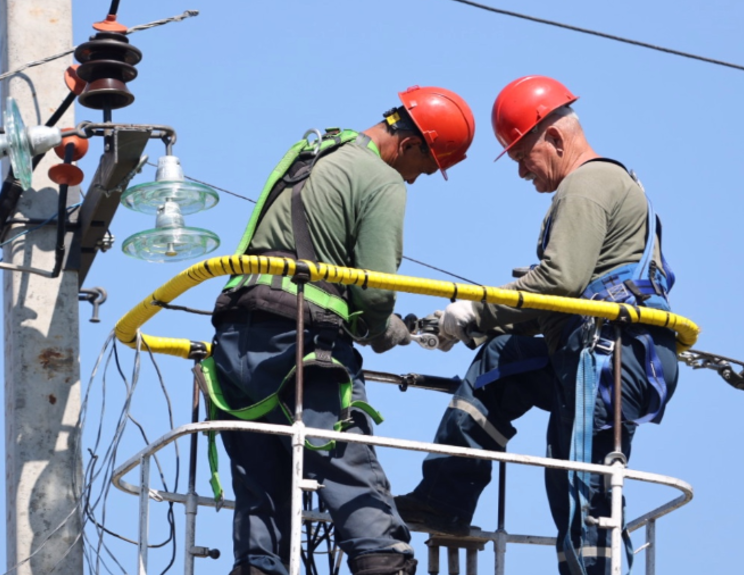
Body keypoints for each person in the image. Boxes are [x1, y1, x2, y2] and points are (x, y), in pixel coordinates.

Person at [393, 76, 680, 575]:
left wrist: (474, 311)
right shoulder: (607, 185)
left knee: (580, 484)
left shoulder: (586, 187)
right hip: (593, 347)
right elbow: (566, 293)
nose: (522, 170)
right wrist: (469, 326)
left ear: (555, 138)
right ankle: (445, 496)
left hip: (606, 356)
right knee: (497, 363)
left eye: (523, 154)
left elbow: (560, 281)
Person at [209, 86, 476, 575]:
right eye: (426, 166)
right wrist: (384, 330)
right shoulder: (382, 178)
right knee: (339, 456)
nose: (417, 179)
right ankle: (385, 563)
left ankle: (258, 567)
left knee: (259, 482)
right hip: (299, 339)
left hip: (234, 335)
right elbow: (374, 294)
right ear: (412, 145)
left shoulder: (312, 152)